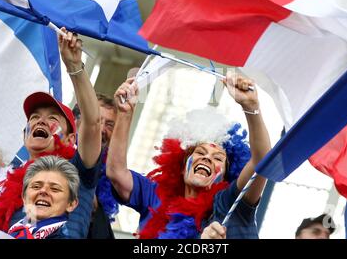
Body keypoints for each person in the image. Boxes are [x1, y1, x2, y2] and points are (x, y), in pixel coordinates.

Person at [107, 71, 272, 239]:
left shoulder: (230, 205)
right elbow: (116, 173)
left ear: (224, 178)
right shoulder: (156, 196)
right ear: (181, 167)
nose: (207, 158)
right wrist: (125, 114)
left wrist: (251, 107)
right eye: (200, 152)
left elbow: (261, 160)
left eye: (218, 158)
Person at [0, 29, 102, 238]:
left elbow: (93, 123)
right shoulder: (6, 182)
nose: (41, 120)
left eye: (52, 118)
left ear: (70, 138)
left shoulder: (77, 170)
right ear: (25, 135)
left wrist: (74, 66)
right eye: (34, 117)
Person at [73, 93, 118, 238]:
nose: (102, 129)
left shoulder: (112, 175)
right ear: (76, 121)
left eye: (110, 125)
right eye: (97, 121)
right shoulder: (52, 158)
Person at [8, 155, 83, 239]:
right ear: (24, 197)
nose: (43, 191)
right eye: (36, 186)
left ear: (71, 204)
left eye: (54, 189)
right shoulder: (9, 233)